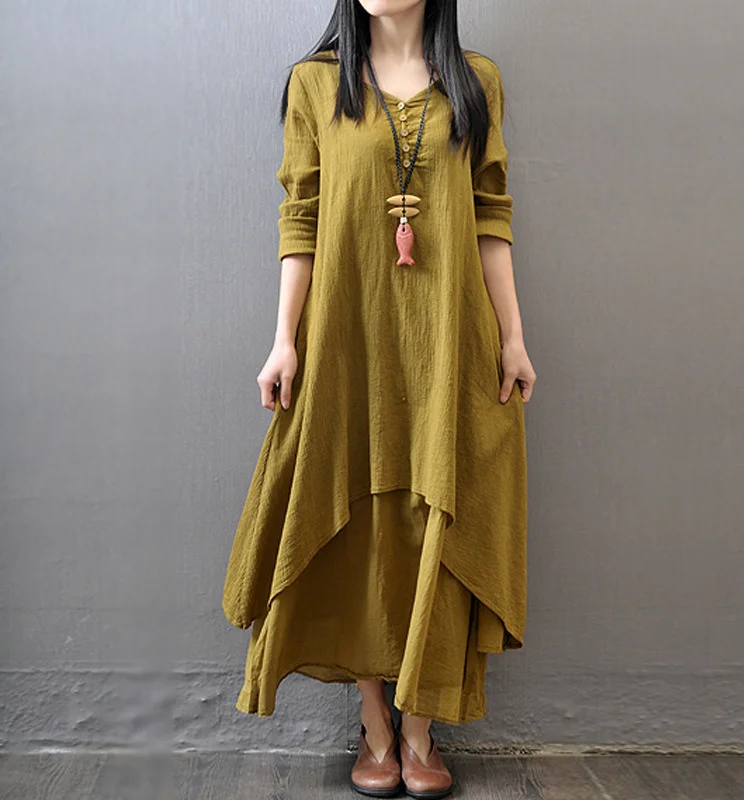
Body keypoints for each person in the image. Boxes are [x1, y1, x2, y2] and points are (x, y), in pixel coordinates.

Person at [221, 0, 537, 796]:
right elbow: (302, 216)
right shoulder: (314, 84)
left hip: (448, 340)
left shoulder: (476, 83)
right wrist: (284, 339)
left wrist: (512, 336)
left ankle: (420, 727)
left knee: (438, 512)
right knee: (355, 518)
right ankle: (375, 724)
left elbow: (490, 215)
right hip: (347, 338)